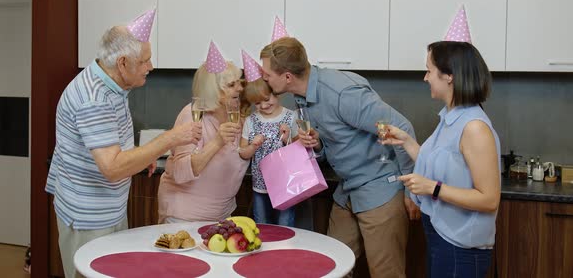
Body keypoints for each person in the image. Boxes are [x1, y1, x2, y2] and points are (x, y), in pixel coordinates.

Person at [45, 10, 202, 278]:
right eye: (145, 61)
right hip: (89, 216)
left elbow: (113, 145)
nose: (151, 66)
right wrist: (169, 138)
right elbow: (113, 167)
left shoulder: (115, 85)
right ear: (122, 63)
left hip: (108, 208)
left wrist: (139, 155)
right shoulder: (94, 99)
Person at [259, 36, 420, 278]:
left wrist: (411, 190)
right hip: (347, 192)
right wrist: (317, 143)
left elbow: (401, 128)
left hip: (380, 190)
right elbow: (334, 140)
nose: (264, 78)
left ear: (287, 76)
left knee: (386, 274)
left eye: (267, 74)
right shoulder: (301, 95)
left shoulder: (343, 94)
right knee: (331, 268)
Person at [384, 41, 501, 278]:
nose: (425, 78)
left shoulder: (474, 127)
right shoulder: (450, 118)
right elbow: (438, 167)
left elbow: (489, 199)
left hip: (461, 248)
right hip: (442, 236)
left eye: (429, 70)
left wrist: (432, 188)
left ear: (450, 76)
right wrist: (407, 142)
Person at [158, 42, 248, 223]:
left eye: (240, 82)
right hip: (184, 217)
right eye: (231, 85)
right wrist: (217, 142)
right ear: (213, 91)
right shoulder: (193, 116)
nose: (239, 88)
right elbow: (181, 172)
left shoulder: (238, 116)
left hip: (222, 216)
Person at [238, 51, 298, 226]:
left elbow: (299, 151)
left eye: (267, 99)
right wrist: (253, 146)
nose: (263, 106)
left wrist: (287, 139)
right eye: (257, 103)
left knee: (286, 226)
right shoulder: (251, 121)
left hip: (286, 185)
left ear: (277, 93)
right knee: (262, 226)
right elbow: (243, 153)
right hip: (260, 186)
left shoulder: (291, 117)